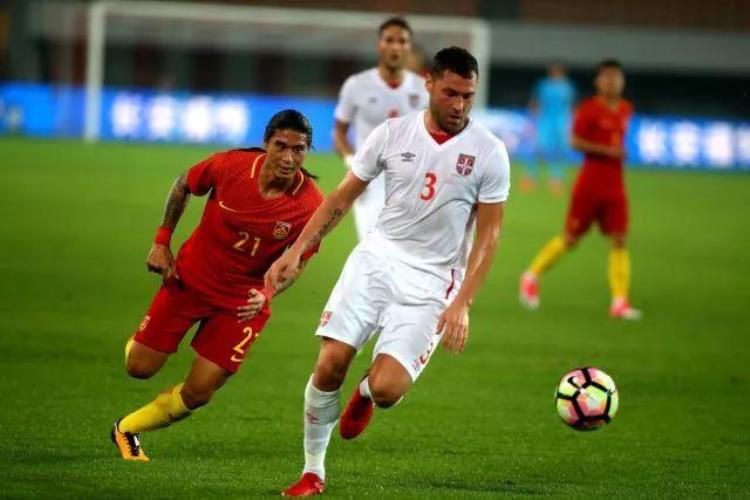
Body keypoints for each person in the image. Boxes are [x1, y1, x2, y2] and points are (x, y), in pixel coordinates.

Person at [267, 47, 511, 496]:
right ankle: (313, 472)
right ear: (429, 84)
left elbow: (489, 236)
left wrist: (463, 303)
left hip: (434, 282)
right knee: (329, 363)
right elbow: (341, 197)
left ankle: (364, 394)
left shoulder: (489, 152)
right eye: (451, 93)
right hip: (377, 260)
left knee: (387, 390)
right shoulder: (392, 133)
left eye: (468, 96)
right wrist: (297, 250)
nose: (459, 105)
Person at [110, 110, 324, 461]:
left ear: (307, 151)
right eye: (281, 146)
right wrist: (162, 241)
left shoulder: (311, 204)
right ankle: (146, 339)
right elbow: (184, 183)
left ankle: (126, 429)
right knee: (139, 368)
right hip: (190, 280)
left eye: (298, 150)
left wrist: (268, 293)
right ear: (266, 143)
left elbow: (298, 262)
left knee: (199, 392)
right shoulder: (231, 166)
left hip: (243, 303)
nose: (289, 158)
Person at [519, 59, 641, 320]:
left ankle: (619, 301)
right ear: (598, 81)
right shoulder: (588, 109)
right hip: (589, 184)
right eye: (606, 77)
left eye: (616, 77)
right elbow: (575, 142)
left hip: (615, 185)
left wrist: (615, 151)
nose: (611, 82)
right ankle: (531, 276)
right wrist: (607, 151)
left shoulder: (626, 109)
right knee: (571, 238)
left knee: (619, 238)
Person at [332, 16, 429, 241]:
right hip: (369, 181)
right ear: (380, 45)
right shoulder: (356, 85)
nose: (395, 47)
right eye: (389, 40)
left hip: (410, 182)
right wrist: (352, 162)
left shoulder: (424, 89)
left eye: (402, 41)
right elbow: (338, 132)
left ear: (409, 47)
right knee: (372, 248)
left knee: (405, 253)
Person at [523, 62, 576, 194]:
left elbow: (571, 105)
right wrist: (532, 118)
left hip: (561, 121)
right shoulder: (544, 85)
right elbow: (535, 102)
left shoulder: (567, 87)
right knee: (538, 149)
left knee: (559, 151)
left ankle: (556, 179)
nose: (555, 73)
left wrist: (570, 122)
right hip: (545, 120)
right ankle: (530, 177)